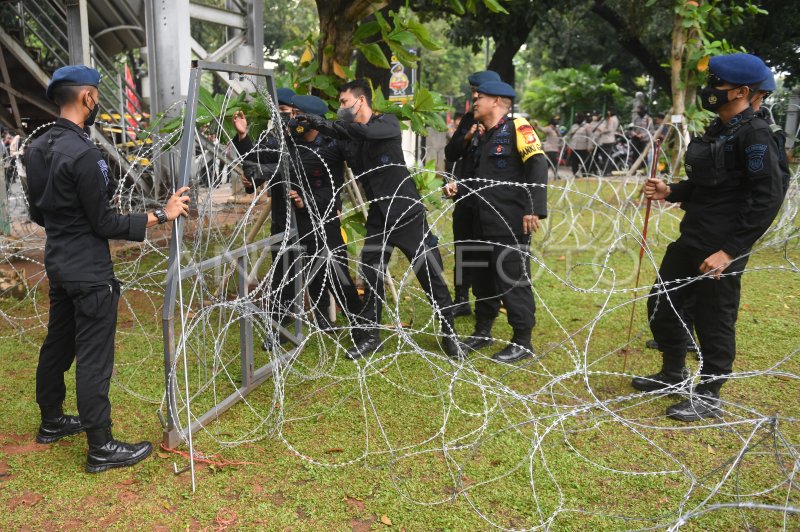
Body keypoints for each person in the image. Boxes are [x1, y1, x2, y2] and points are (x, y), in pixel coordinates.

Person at [23, 65, 190, 472]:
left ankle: (51, 421)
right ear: (87, 98)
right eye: (97, 95)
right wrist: (161, 215)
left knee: (58, 345)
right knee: (94, 357)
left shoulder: (37, 147)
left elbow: (38, 213)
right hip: (89, 269)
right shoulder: (84, 153)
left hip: (59, 261)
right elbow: (106, 223)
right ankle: (101, 445)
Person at [632, 53, 788, 421]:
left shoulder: (757, 135)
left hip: (721, 247)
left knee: (714, 319)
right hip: (694, 236)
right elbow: (710, 184)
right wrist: (671, 191)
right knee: (662, 303)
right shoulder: (721, 129)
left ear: (743, 92)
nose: (709, 91)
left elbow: (767, 197)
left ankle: (709, 394)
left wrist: (730, 251)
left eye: (717, 84)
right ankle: (672, 373)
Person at [298, 79, 465, 360]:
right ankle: (371, 336)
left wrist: (323, 122)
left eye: (344, 102)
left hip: (406, 213)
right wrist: (300, 131)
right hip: (379, 217)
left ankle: (450, 333)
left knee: (429, 274)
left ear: (361, 101)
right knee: (371, 273)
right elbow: (322, 155)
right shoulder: (346, 138)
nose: (341, 108)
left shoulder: (386, 123)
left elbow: (362, 132)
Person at [444, 80, 548, 363]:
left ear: (498, 101)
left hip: (509, 221)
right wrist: (458, 187)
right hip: (480, 219)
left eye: (480, 97)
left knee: (512, 280)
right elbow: (478, 176)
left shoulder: (517, 127)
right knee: (482, 278)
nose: (474, 101)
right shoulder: (481, 135)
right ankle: (482, 330)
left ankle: (522, 341)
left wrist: (534, 208)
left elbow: (537, 164)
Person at [281, 94, 362, 329]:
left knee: (337, 272)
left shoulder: (330, 145)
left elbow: (333, 188)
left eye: (298, 116)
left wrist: (306, 199)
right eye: (292, 114)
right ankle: (322, 319)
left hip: (325, 216)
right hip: (300, 218)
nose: (293, 120)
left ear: (312, 120)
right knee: (312, 271)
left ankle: (358, 321)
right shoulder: (292, 143)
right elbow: (269, 159)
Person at [232, 87, 299, 351]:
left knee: (322, 269)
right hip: (283, 214)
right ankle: (279, 328)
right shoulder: (272, 139)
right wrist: (243, 136)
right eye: (279, 112)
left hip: (311, 211)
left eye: (286, 112)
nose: (283, 117)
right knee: (281, 272)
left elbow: (290, 165)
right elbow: (255, 164)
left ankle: (340, 319)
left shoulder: (308, 137)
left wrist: (262, 170)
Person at [444, 70, 501, 319]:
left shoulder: (506, 124)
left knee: (489, 251)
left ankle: (491, 299)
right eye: (473, 91)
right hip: (466, 195)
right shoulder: (469, 118)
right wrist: (467, 135)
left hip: (491, 199)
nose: (475, 96)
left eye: (479, 91)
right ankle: (461, 298)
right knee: (463, 246)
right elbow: (451, 153)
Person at [594, 108, 619, 176]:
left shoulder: (611, 119)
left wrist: (601, 130)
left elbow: (609, 129)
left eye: (608, 111)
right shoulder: (616, 118)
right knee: (608, 156)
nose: (608, 112)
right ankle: (608, 171)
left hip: (606, 140)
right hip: (611, 139)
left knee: (605, 157)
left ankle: (606, 172)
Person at [539, 116, 562, 180]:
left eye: (558, 120)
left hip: (555, 148)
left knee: (549, 163)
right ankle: (556, 175)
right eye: (556, 120)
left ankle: (541, 174)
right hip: (549, 148)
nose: (557, 121)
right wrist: (537, 124)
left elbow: (559, 138)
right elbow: (542, 129)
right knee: (554, 162)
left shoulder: (556, 129)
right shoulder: (549, 128)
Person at [566, 113, 590, 177]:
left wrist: (589, 146)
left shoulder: (587, 126)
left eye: (578, 117)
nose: (577, 119)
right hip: (574, 147)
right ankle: (575, 173)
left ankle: (585, 174)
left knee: (583, 162)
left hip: (583, 148)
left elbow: (590, 137)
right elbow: (569, 135)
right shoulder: (574, 126)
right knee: (574, 162)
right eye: (576, 117)